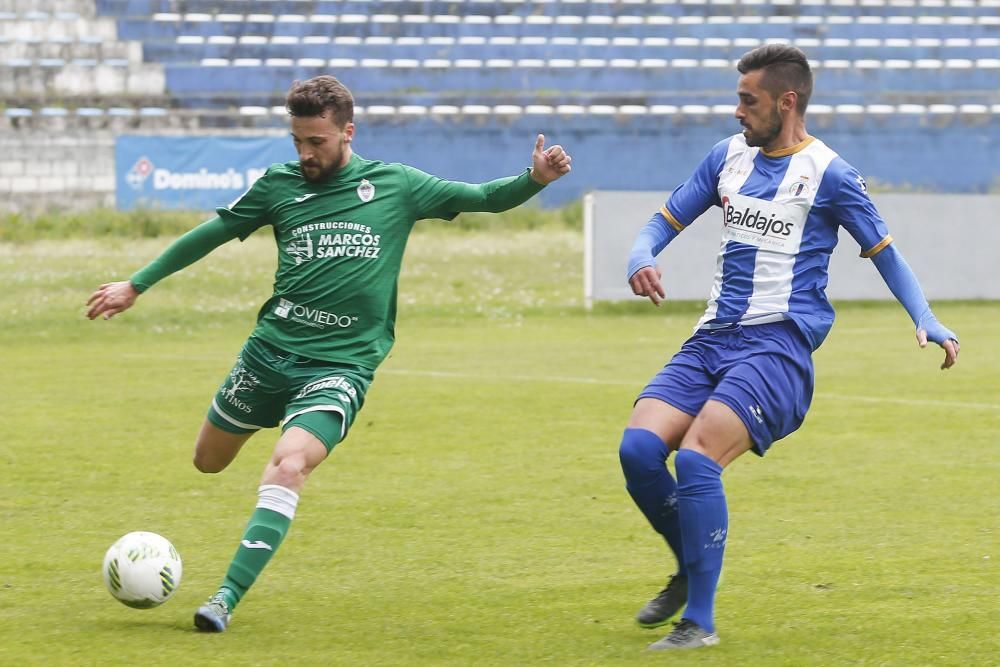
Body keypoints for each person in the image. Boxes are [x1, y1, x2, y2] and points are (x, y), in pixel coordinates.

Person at [86, 75, 572, 632]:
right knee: (208, 460)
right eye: (297, 141)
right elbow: (213, 232)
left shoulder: (396, 185)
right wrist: (137, 284)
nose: (305, 153)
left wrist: (534, 179)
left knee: (289, 464)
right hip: (268, 355)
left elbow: (482, 198)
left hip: (340, 366)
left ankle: (223, 599)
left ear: (348, 131)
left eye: (316, 142)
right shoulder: (278, 186)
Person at [619, 44, 959, 651]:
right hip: (711, 338)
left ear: (787, 101)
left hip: (777, 348)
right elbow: (661, 222)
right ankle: (688, 565)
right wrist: (641, 254)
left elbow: (885, 251)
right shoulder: (726, 159)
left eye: (748, 101)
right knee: (639, 451)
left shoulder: (829, 173)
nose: (737, 112)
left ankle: (699, 621)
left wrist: (926, 317)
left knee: (697, 461)